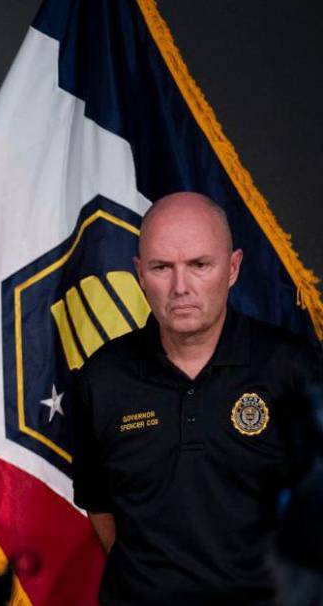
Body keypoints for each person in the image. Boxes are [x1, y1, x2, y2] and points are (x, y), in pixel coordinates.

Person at [71, 192, 322, 604]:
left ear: (233, 268)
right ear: (139, 273)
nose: (180, 287)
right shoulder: (102, 379)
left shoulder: (294, 370)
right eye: (161, 267)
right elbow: (99, 506)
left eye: (199, 265)